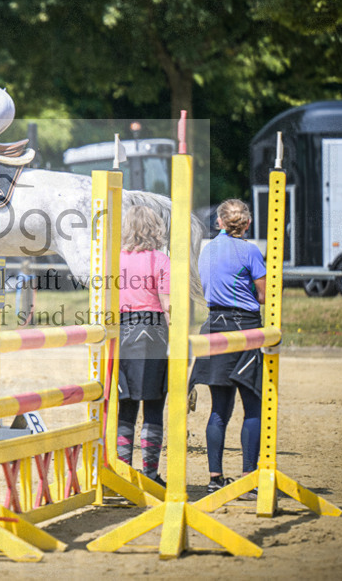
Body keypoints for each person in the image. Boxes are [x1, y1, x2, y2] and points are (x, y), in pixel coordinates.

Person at [189, 199, 266, 498]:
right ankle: (248, 477)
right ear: (246, 224)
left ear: (219, 223)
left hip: (214, 327)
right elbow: (263, 296)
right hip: (244, 327)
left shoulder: (207, 250)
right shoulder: (250, 251)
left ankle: (215, 477)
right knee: (253, 405)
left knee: (220, 409)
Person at [116, 205, 170, 486]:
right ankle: (150, 475)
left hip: (121, 330)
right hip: (152, 331)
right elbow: (167, 303)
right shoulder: (160, 259)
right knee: (153, 406)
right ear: (154, 228)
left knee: (125, 407)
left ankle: (123, 474)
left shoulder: (114, 260)